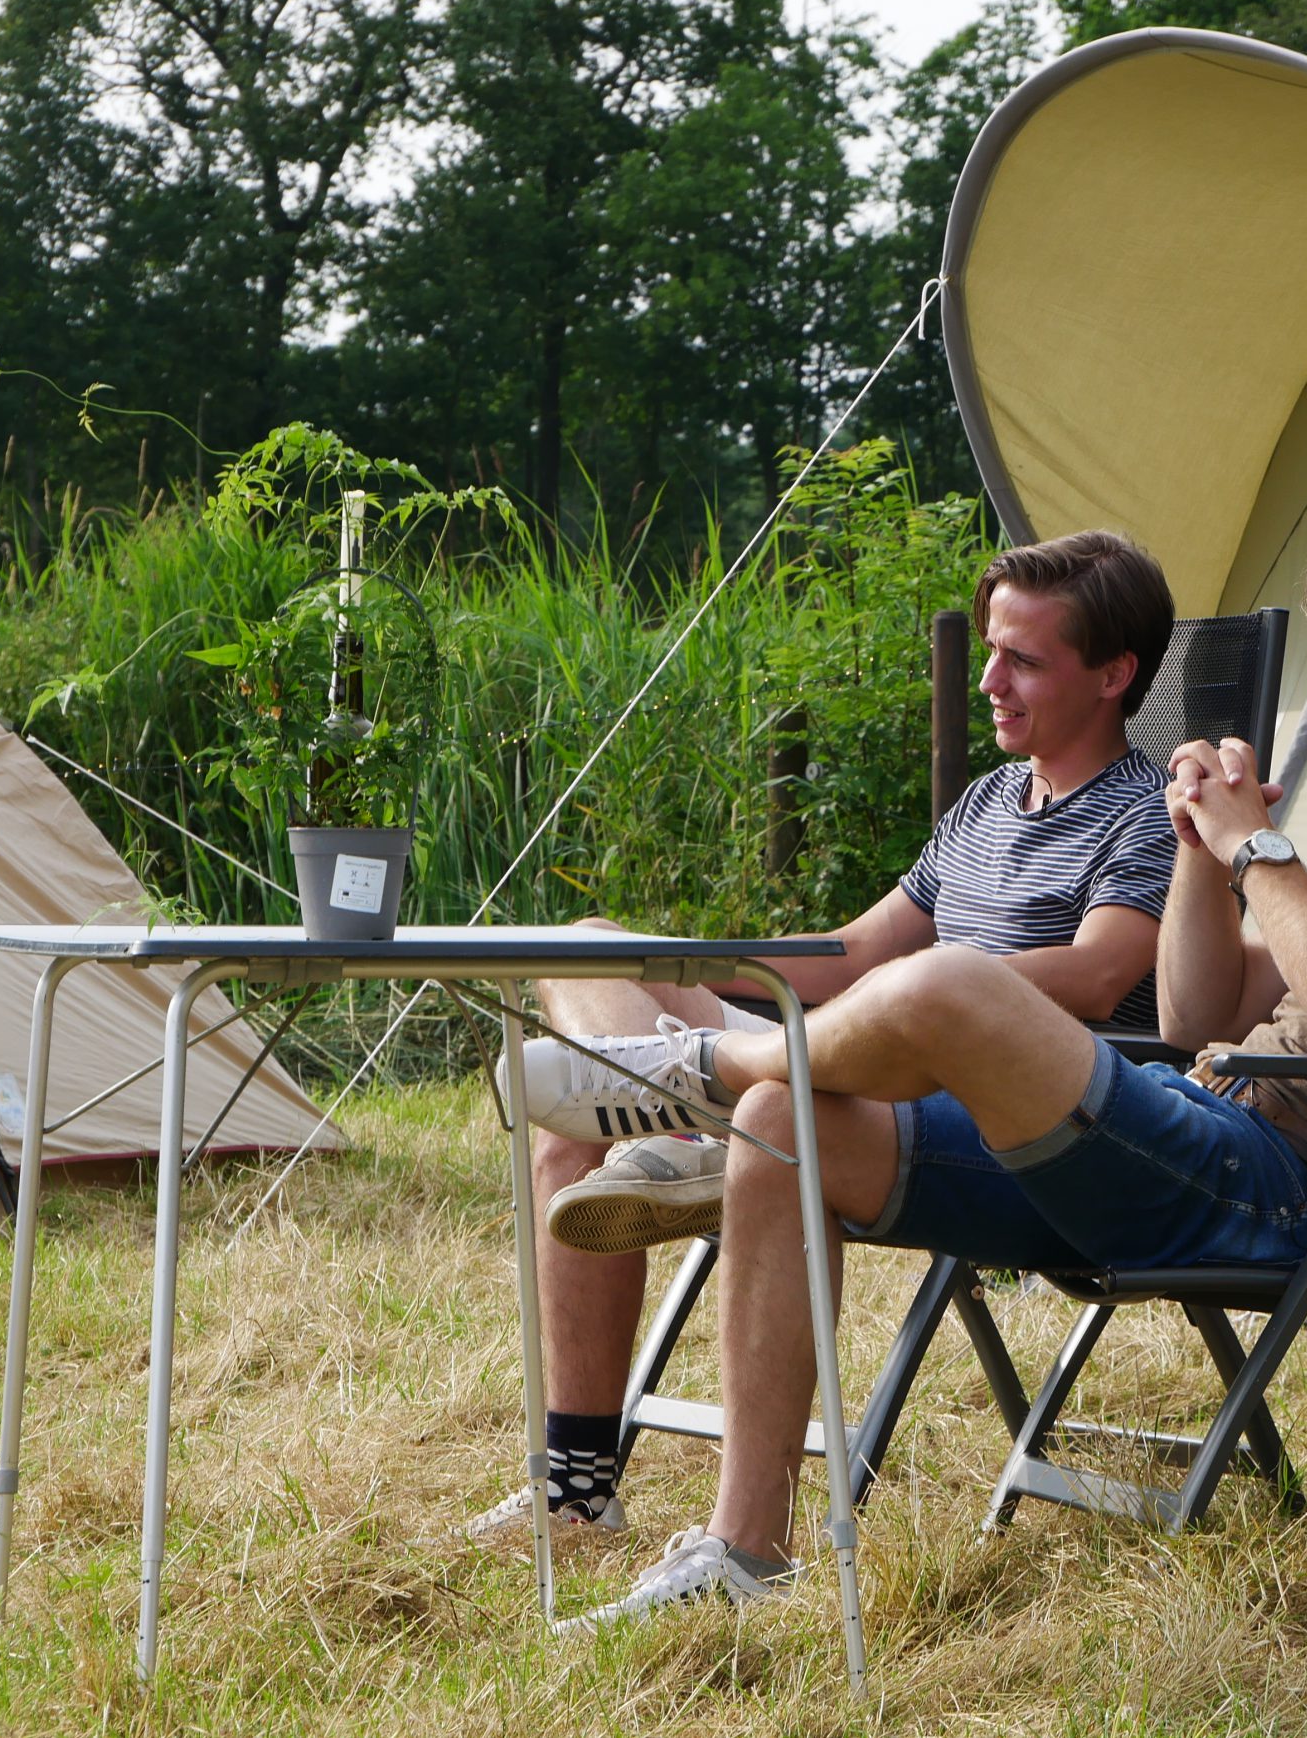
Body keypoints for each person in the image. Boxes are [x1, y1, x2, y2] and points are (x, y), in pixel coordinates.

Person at [553, 513, 1307, 1626]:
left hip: (1297, 1193)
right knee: (785, 1120)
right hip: (1201, 1128)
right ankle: (744, 1552)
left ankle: (690, 1070)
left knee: (951, 982)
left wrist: (1257, 848)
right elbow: (1199, 1013)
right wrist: (1203, 854)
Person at [468, 529, 1179, 1542]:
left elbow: (1102, 971)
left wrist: (915, 997)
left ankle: (688, 1134)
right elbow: (850, 954)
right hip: (862, 1061)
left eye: (1022, 660)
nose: (988, 681)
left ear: (1113, 675)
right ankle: (578, 1486)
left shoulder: (1145, 813)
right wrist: (680, 959)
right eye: (990, 651)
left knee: (683, 1105)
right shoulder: (988, 802)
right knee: (589, 950)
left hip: (997, 1114)